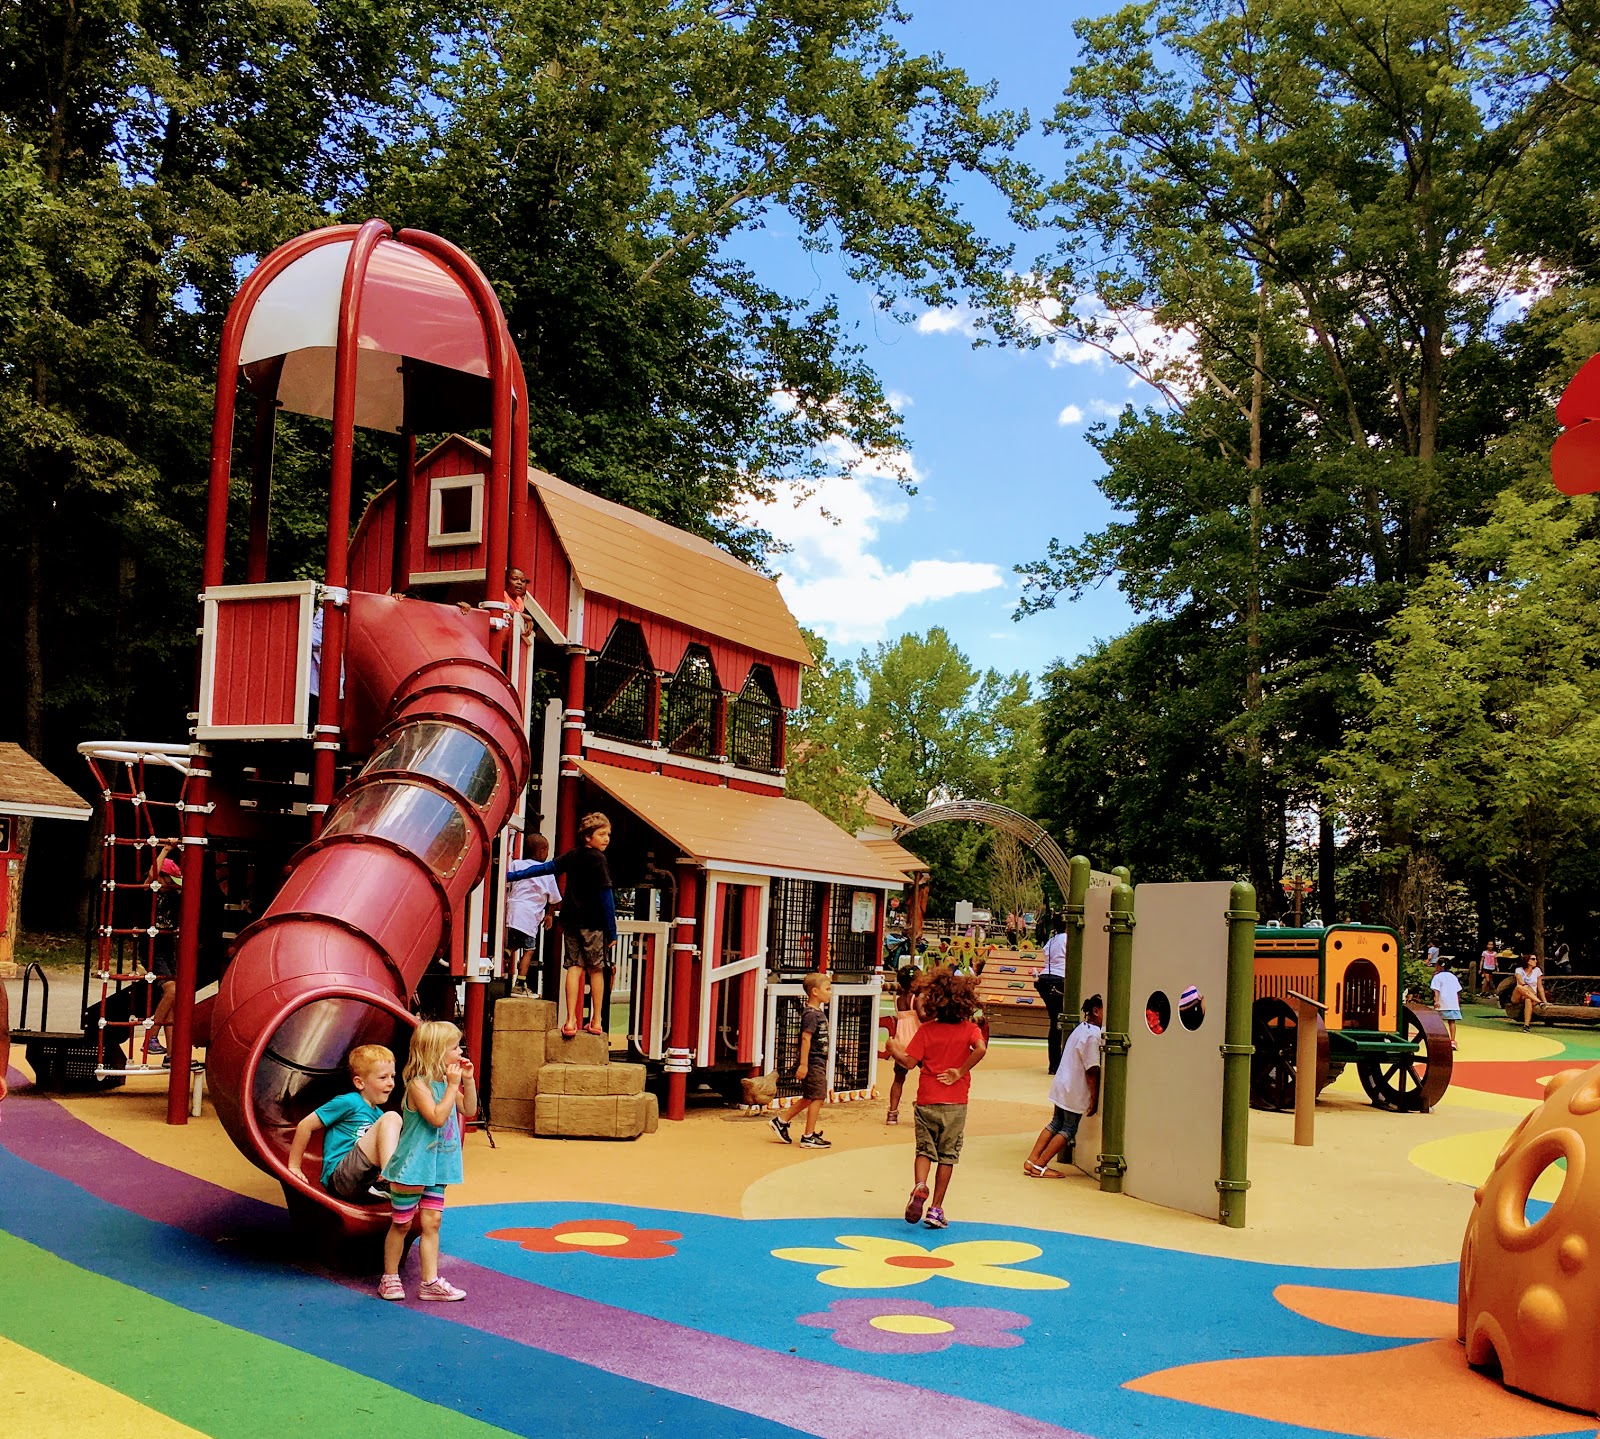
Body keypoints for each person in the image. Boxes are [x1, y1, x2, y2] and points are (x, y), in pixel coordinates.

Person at [379, 1021, 476, 1302]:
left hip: (437, 1168)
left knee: (432, 1222)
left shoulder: (445, 1084)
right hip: (413, 1167)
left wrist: (466, 1082)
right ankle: (390, 1277)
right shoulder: (418, 1085)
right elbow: (436, 1117)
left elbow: (468, 1109)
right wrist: (452, 1086)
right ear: (436, 1052)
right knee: (402, 1223)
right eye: (454, 1047)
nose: (460, 1052)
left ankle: (430, 1282)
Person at [886, 965, 987, 1230]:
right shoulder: (969, 1030)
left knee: (924, 1150)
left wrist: (894, 1049)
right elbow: (980, 1049)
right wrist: (960, 1071)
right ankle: (936, 1208)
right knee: (947, 1156)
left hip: (927, 1099)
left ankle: (920, 1185)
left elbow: (909, 1062)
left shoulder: (927, 1030)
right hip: (955, 1102)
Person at [506, 811, 617, 1039]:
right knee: (596, 969)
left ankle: (570, 1020)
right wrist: (612, 929)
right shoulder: (599, 860)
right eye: (602, 834)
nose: (606, 839)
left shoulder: (573, 855)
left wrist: (512, 876)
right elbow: (606, 895)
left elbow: (545, 868)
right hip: (594, 923)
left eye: (608, 834)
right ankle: (596, 1020)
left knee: (574, 968)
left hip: (571, 921)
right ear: (588, 837)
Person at [287, 1044, 403, 1200]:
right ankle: (391, 1176)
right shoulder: (349, 1102)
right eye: (383, 1077)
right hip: (340, 1179)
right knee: (393, 1117)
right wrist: (294, 1166)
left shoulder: (379, 1116)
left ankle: (387, 1181)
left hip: (365, 1183)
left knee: (396, 1128)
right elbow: (305, 1125)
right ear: (360, 1083)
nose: (391, 1083)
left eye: (392, 1076)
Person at [1023, 993, 1103, 1177]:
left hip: (1062, 1083)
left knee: (1056, 1122)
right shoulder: (1092, 1036)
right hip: (1073, 1089)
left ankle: (1032, 1160)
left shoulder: (1082, 1028)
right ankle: (1041, 1165)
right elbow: (1091, 1069)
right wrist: (1094, 1096)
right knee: (1069, 1128)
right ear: (1096, 1011)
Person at [774, 970, 832, 1148]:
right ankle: (808, 1135)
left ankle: (782, 1121)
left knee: (809, 1096)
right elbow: (806, 1038)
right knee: (818, 1096)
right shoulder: (811, 1015)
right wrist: (804, 1064)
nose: (830, 993)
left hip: (817, 1061)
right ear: (815, 991)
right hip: (813, 1062)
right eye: (827, 989)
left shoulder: (816, 1013)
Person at [505, 834, 561, 996]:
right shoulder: (546, 872)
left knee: (514, 943)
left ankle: (505, 955)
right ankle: (520, 984)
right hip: (529, 914)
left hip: (513, 911)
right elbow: (555, 898)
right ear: (542, 851)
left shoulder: (516, 864)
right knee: (529, 949)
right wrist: (549, 915)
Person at [142, 846, 183, 1060]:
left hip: (167, 946)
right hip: (152, 946)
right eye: (171, 882)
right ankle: (151, 1037)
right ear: (163, 878)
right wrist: (166, 849)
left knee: (174, 1002)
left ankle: (171, 1054)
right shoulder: (151, 889)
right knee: (172, 992)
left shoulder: (171, 895)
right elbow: (152, 873)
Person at [885, 966, 922, 1126]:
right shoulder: (917, 998)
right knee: (926, 1075)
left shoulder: (899, 999)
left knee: (898, 1079)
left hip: (901, 1042)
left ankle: (892, 1113)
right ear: (914, 983)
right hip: (917, 1041)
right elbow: (922, 1015)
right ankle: (922, 1108)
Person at [1035, 915, 1068, 1073]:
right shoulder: (1068, 939)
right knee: (1061, 1022)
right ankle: (1059, 1063)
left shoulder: (1051, 941)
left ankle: (1054, 1063)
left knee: (1055, 1022)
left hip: (1044, 980)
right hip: (1059, 980)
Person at [1429, 962, 1463, 1049]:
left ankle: (1438, 1039)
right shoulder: (1453, 977)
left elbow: (1436, 990)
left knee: (1438, 1022)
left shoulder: (1437, 977)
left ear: (1440, 966)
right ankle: (1452, 1040)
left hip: (1442, 1002)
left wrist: (1436, 1001)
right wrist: (1457, 1002)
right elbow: (1458, 990)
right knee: (1451, 1021)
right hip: (1452, 1002)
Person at [1511, 956, 1547, 1033]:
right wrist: (1525, 986)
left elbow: (1540, 987)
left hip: (1531, 995)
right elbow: (1519, 979)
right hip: (1519, 995)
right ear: (1527, 960)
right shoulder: (1519, 970)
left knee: (1528, 999)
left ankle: (1526, 1025)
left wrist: (1545, 1001)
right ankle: (1540, 1002)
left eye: (1536, 959)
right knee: (1519, 987)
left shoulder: (1537, 970)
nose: (1535, 961)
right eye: (1533, 959)